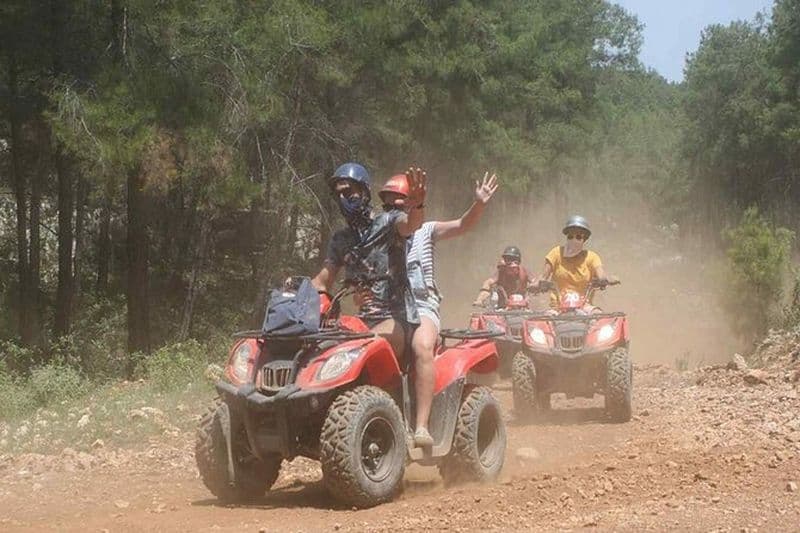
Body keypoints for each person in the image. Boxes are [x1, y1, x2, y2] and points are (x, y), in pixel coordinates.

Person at [380, 172, 499, 447]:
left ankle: (421, 426)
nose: (393, 210)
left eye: (399, 204)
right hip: (387, 308)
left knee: (422, 346)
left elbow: (462, 225)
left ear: (411, 204)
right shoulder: (379, 235)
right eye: (387, 205)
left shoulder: (426, 230)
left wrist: (479, 203)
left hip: (422, 305)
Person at [311, 162, 426, 377]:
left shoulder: (388, 222)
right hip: (361, 321)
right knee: (323, 349)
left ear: (364, 192)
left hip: (397, 320)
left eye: (349, 192)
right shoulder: (341, 239)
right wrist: (291, 297)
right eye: (338, 195)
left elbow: (410, 225)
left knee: (357, 345)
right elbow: (321, 282)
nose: (344, 199)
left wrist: (418, 206)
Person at [537, 215, 614, 313]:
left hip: (584, 306)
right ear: (566, 237)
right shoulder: (556, 253)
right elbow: (543, 277)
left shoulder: (592, 257)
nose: (574, 240)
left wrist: (604, 280)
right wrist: (536, 284)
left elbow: (601, 274)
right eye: (570, 236)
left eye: (578, 237)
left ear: (584, 239)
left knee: (599, 317)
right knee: (542, 325)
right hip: (557, 308)